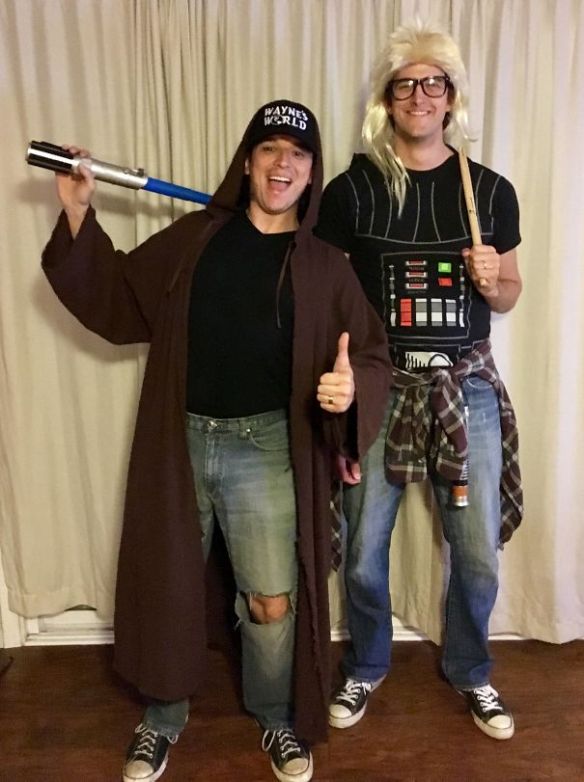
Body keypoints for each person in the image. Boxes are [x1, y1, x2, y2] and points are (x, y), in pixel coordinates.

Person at [41, 100, 390, 782]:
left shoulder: (326, 266)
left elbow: (371, 355)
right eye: (269, 149)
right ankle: (162, 716)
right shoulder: (197, 238)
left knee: (271, 601)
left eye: (297, 153)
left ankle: (275, 714)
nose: (282, 163)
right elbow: (119, 298)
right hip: (181, 444)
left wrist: (350, 390)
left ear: (312, 172)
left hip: (268, 450)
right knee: (169, 585)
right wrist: (79, 210)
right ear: (248, 162)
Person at [315, 21, 523, 742]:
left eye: (434, 83)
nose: (420, 96)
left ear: (451, 97)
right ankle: (367, 663)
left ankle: (471, 668)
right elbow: (328, 298)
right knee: (362, 548)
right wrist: (341, 376)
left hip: (465, 390)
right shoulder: (352, 191)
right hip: (381, 391)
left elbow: (510, 295)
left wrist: (492, 282)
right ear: (387, 98)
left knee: (477, 551)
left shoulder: (489, 190)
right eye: (405, 84)